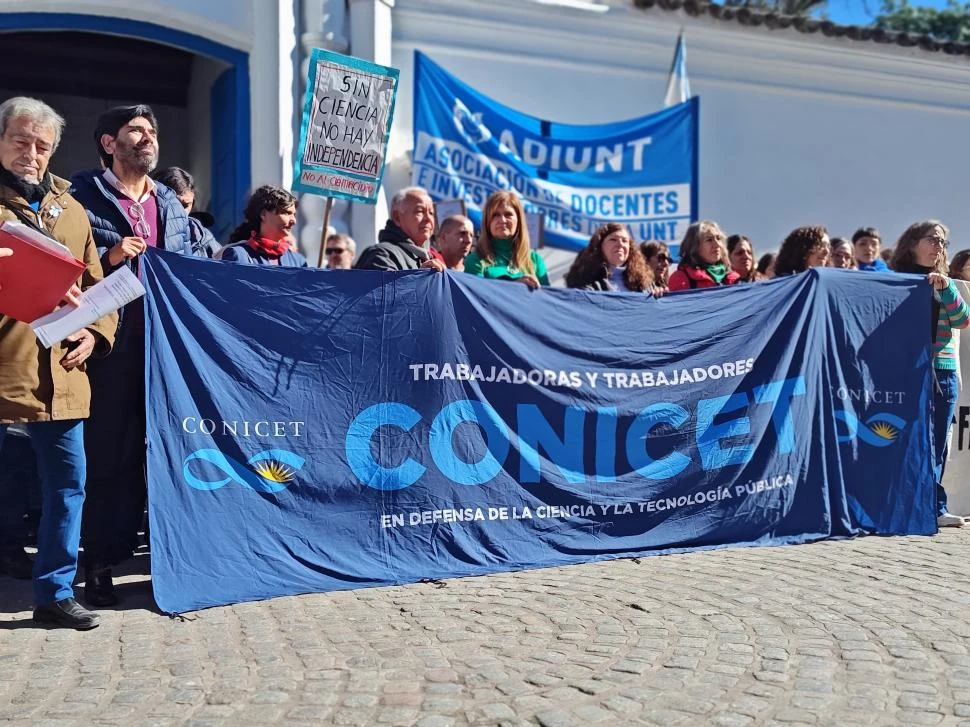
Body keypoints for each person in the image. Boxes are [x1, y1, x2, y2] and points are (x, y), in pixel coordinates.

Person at [70, 104, 204, 608]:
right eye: (136, 131)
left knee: (172, 450)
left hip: (167, 348)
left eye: (152, 131)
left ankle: (172, 556)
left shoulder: (169, 202)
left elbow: (193, 266)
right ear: (109, 143)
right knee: (110, 456)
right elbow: (65, 271)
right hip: (111, 348)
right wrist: (109, 259)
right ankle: (101, 562)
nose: (148, 138)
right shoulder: (81, 197)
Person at [0, 96, 117, 629]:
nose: (31, 153)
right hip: (6, 366)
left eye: (42, 146)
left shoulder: (71, 210)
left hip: (62, 375)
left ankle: (54, 593)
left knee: (68, 488)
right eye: (21, 140)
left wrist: (95, 333)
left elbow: (97, 285)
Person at [891, 221, 970, 528]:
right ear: (912, 243)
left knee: (937, 442)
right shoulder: (896, 280)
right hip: (905, 371)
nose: (939, 245)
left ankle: (934, 506)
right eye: (933, 239)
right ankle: (900, 505)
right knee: (903, 439)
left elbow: (963, 320)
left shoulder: (946, 283)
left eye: (943, 242)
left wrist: (945, 288)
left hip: (942, 371)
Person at [464, 191, 549, 287]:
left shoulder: (535, 259)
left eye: (508, 214)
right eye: (495, 215)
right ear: (487, 222)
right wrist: (516, 286)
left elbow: (547, 295)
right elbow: (477, 295)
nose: (502, 220)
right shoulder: (475, 260)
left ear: (519, 220)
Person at [354, 186, 445, 272]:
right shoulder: (381, 254)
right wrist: (421, 278)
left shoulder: (430, 257)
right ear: (397, 217)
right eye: (420, 211)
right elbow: (386, 284)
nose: (428, 219)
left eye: (431, 213)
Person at [218, 185, 307, 267]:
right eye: (286, 213)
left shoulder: (299, 262)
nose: (293, 221)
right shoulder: (239, 256)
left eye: (294, 215)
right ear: (263, 214)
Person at [565, 223, 658, 293]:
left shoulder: (644, 283)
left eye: (625, 241)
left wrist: (659, 295)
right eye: (613, 239)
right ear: (599, 247)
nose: (620, 244)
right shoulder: (585, 283)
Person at [153, 166, 219, 258]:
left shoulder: (202, 237)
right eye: (175, 206)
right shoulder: (145, 231)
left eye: (186, 205)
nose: (181, 212)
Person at [667, 220, 740, 291]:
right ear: (694, 246)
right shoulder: (681, 278)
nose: (717, 244)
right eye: (709, 240)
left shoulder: (735, 278)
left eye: (718, 238)